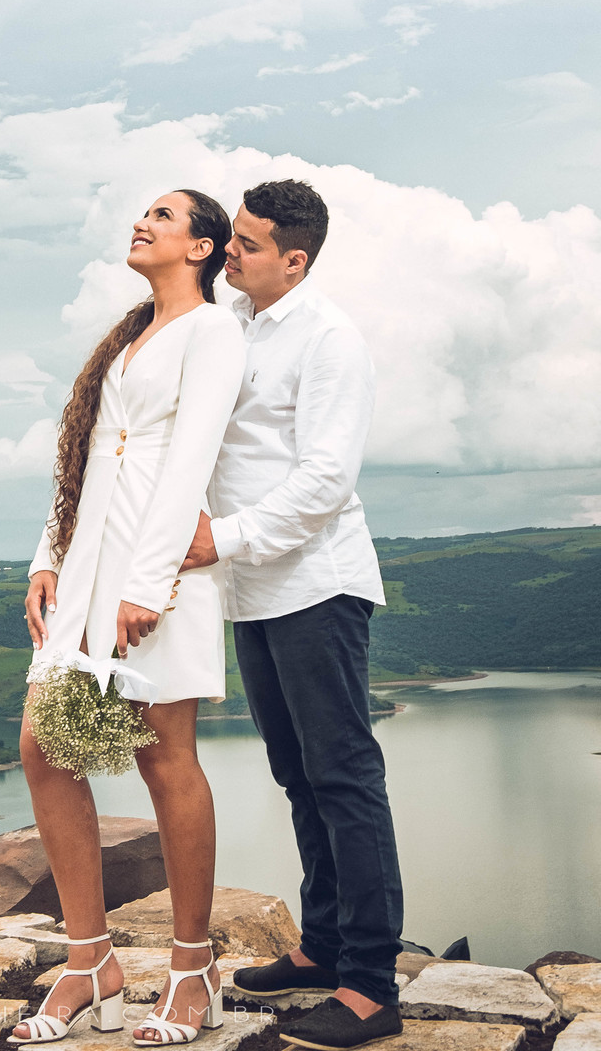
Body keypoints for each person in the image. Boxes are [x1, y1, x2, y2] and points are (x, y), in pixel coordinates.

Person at [14, 190, 247, 1049]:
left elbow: (191, 460)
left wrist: (148, 583)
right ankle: (89, 961)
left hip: (156, 570)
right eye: (141, 213)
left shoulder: (212, 333)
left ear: (204, 247)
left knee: (161, 752)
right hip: (87, 565)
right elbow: (84, 458)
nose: (141, 222)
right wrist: (48, 555)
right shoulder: (128, 335)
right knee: (45, 747)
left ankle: (192, 970)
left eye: (163, 215)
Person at [178, 178, 404, 1050]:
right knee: (296, 775)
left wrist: (218, 540)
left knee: (345, 778)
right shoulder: (233, 327)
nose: (228, 251)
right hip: (256, 592)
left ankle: (370, 988)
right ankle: (323, 948)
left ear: (294, 259)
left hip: (318, 584)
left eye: (246, 242)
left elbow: (324, 481)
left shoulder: (329, 339)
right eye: (231, 236)